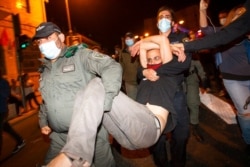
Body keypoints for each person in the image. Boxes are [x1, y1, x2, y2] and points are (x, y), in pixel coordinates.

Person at [44, 34, 190, 167]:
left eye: (157, 58)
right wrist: (144, 57)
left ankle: (76, 154)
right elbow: (144, 50)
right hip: (125, 135)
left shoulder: (170, 72)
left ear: (165, 58)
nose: (152, 62)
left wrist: (167, 46)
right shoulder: (145, 74)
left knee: (98, 84)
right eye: (149, 59)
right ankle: (78, 150)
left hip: (150, 127)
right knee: (89, 90)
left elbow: (162, 40)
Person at [33, 22, 118, 166]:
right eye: (40, 41)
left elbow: (111, 66)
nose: (43, 43)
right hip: (59, 138)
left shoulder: (80, 56)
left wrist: (106, 99)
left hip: (90, 135)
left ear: (61, 37)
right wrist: (43, 121)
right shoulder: (45, 69)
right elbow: (46, 100)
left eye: (48, 38)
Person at [139, 6, 191, 167]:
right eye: (160, 16)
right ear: (157, 22)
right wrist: (144, 72)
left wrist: (155, 69)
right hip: (154, 93)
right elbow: (139, 69)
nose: (163, 19)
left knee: (181, 134)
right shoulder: (148, 40)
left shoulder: (182, 38)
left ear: (172, 21)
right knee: (155, 135)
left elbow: (183, 64)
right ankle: (161, 163)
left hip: (175, 93)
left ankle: (178, 162)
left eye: (167, 16)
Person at [171, 0, 250, 52]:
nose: (241, 16)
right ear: (231, 16)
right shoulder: (224, 31)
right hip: (231, 76)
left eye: (243, 14)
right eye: (239, 13)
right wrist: (202, 10)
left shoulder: (243, 31)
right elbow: (205, 29)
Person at [0, 70, 25, 155]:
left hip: (2, 110)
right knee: (6, 127)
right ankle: (20, 140)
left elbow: (6, 94)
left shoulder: (3, 82)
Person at [119, 32, 140, 100]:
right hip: (129, 81)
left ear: (134, 39)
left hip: (141, 79)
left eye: (130, 38)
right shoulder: (123, 53)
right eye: (127, 39)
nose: (128, 40)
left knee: (142, 100)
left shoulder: (140, 49)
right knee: (132, 100)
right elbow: (121, 66)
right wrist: (121, 78)